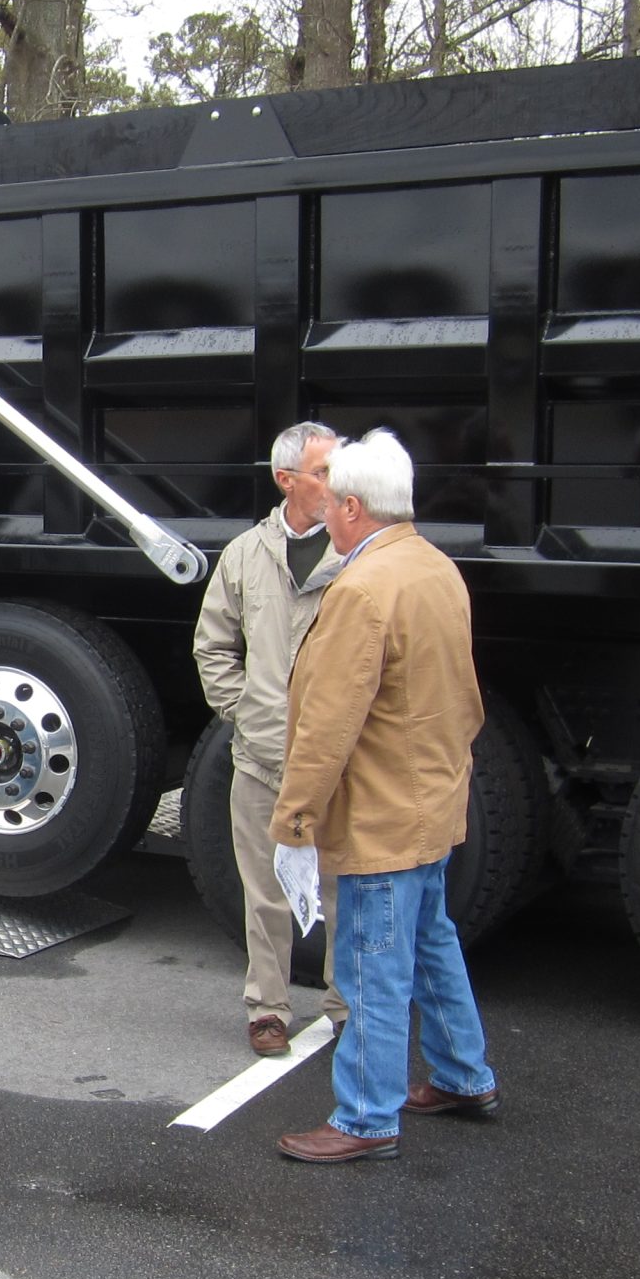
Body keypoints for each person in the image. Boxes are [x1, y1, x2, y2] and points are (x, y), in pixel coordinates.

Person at [269, 428, 499, 1163]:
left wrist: (295, 822)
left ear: (354, 508)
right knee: (430, 943)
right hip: (431, 800)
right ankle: (463, 1076)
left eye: (332, 502)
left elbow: (327, 726)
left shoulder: (363, 588)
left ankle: (366, 1119)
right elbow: (462, 697)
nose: (325, 515)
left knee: (371, 965)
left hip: (380, 814)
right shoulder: (434, 567)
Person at [192, 421, 349, 1058]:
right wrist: (247, 712)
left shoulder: (358, 552)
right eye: (324, 471)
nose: (337, 482)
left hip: (337, 760)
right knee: (264, 892)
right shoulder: (245, 554)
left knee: (343, 890)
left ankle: (346, 1009)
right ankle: (267, 1010)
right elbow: (213, 646)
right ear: (287, 480)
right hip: (260, 758)